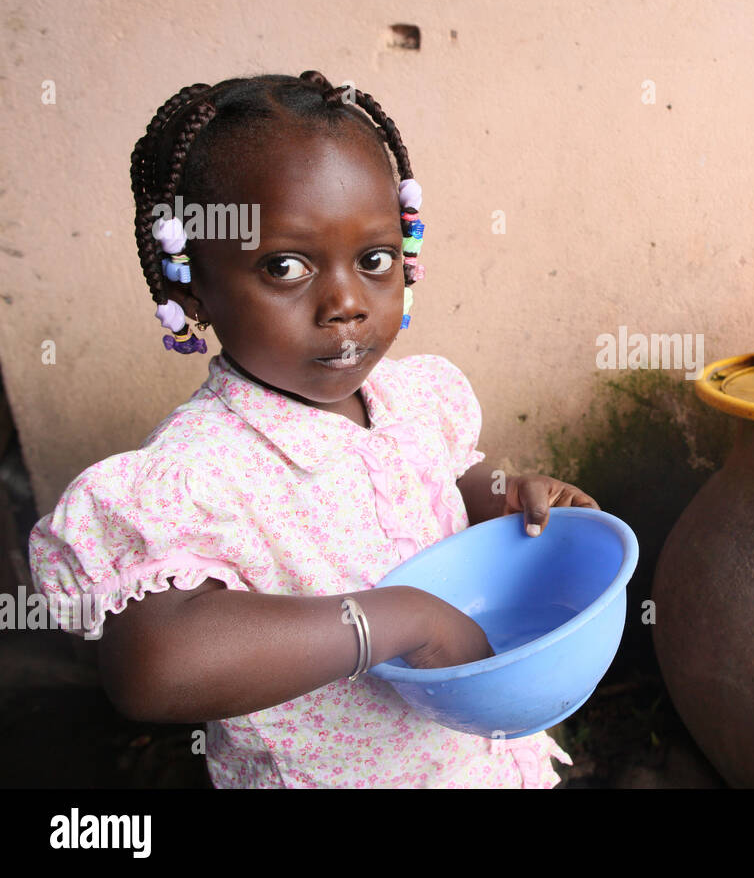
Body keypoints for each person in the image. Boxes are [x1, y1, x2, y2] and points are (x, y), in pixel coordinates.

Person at [27, 70, 599, 788]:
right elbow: (153, 668)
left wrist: (512, 497)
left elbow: (442, 482)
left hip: (477, 765)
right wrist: (396, 621)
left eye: (376, 260)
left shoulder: (413, 396)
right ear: (189, 286)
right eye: (286, 266)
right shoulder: (200, 471)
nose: (346, 303)